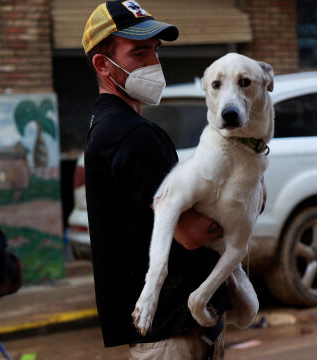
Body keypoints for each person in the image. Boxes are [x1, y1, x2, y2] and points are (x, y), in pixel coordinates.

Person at [83, 2, 239, 358]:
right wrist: (245, 206)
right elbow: (192, 233)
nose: (153, 63)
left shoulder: (104, 126)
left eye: (155, 51)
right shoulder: (135, 135)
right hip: (175, 333)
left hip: (166, 330)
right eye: (138, 52)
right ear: (103, 65)